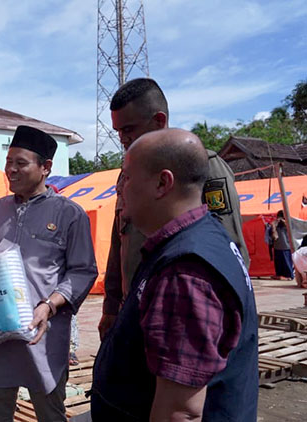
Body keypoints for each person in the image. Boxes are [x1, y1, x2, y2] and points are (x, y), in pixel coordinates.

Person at [91, 129, 258, 421]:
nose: (120, 189)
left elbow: (180, 411)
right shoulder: (202, 236)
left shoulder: (185, 272)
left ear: (162, 183)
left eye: (127, 178)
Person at [0, 125, 98, 422]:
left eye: (20, 163)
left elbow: (83, 271)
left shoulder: (69, 214)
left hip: (43, 334)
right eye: (8, 162)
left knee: (50, 413)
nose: (11, 170)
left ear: (45, 167)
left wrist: (49, 305)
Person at [98, 78, 249, 340]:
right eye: (118, 131)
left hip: (185, 315)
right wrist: (111, 307)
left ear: (159, 121)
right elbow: (118, 243)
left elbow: (229, 246)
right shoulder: (128, 176)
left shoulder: (201, 167)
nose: (122, 138)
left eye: (129, 129)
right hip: (135, 311)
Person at [270, 210, 294, 280]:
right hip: (277, 246)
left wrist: (284, 222)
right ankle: (279, 274)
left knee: (286, 262)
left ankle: (289, 275)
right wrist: (274, 225)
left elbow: (292, 230)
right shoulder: (276, 224)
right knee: (278, 262)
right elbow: (273, 235)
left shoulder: (288, 224)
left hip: (286, 246)